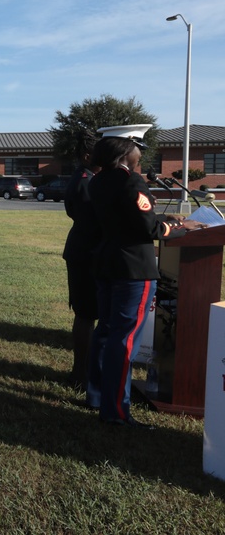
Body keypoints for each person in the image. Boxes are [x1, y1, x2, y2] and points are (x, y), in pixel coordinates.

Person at [86, 124, 202, 427]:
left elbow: (125, 218)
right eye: (139, 148)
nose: (141, 155)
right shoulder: (131, 181)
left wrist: (164, 217)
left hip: (107, 263)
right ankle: (116, 412)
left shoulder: (99, 181)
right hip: (133, 270)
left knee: (106, 332)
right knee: (124, 341)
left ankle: (97, 394)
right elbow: (148, 229)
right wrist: (180, 227)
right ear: (127, 150)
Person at [62, 131, 101, 390]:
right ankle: (80, 373)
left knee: (88, 314)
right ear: (87, 156)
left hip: (87, 250)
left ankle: (84, 370)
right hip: (86, 252)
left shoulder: (89, 177)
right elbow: (94, 221)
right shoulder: (86, 181)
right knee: (86, 314)